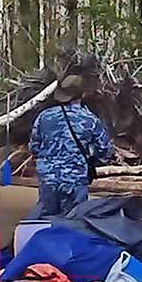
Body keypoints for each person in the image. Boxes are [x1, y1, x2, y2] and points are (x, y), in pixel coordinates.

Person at [28, 74, 114, 218]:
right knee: (75, 221)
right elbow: (104, 150)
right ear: (82, 94)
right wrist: (92, 161)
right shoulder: (90, 119)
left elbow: (34, 147)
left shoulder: (44, 116)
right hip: (75, 179)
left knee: (46, 219)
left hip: (48, 178)